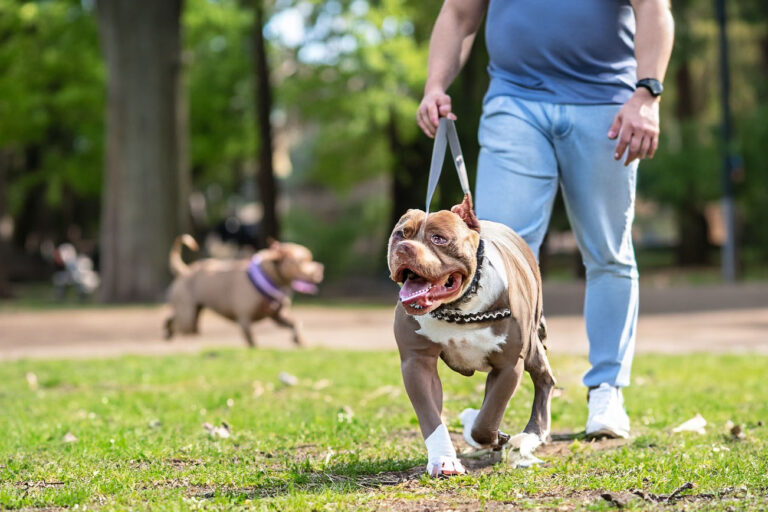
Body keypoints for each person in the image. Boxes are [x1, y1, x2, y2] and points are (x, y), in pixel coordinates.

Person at [417, 0, 674, 439]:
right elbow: (459, 13)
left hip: (607, 106)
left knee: (608, 251)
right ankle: (502, 395)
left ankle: (607, 390)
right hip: (514, 102)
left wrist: (647, 93)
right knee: (496, 255)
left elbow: (654, 9)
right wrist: (435, 85)